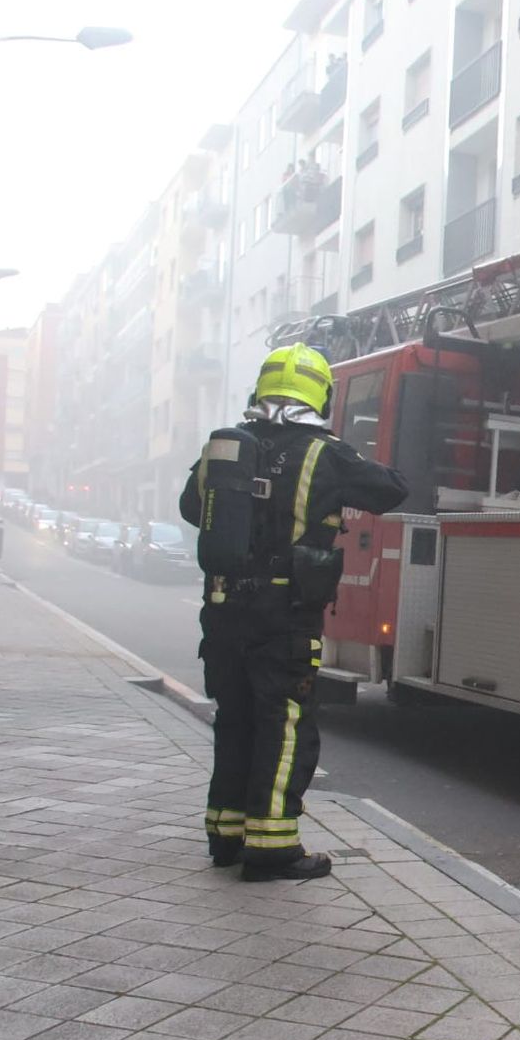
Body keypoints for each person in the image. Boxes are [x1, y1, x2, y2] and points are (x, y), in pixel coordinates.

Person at [180, 344, 407, 881]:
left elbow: (191, 507)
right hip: (282, 615)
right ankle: (272, 845)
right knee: (283, 725)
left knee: (233, 718)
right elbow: (392, 490)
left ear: (261, 388)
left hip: (222, 609)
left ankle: (226, 835)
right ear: (319, 393)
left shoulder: (225, 448)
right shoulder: (324, 454)